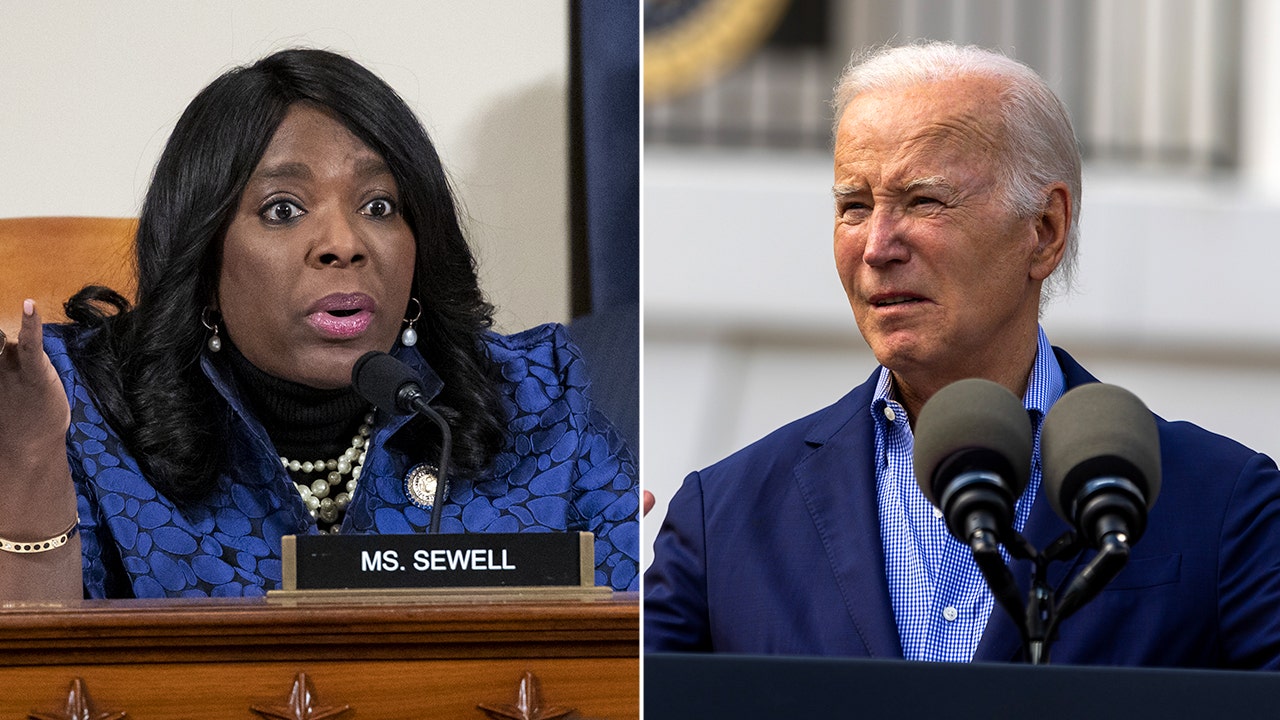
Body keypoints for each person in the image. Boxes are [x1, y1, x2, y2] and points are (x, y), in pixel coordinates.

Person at [643, 41, 1280, 667]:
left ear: (1044, 231)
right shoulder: (721, 517)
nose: (878, 246)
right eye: (854, 207)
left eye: (923, 201)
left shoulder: (1224, 503)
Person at [0, 48, 639, 600]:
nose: (343, 244)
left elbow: (628, 656)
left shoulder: (536, 404)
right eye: (283, 209)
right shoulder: (77, 408)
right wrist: (28, 460)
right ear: (205, 257)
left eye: (380, 205)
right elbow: (38, 678)